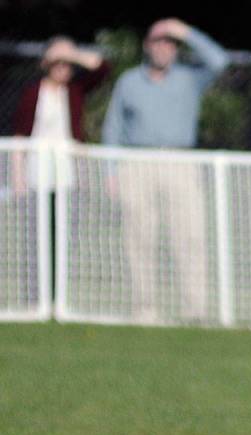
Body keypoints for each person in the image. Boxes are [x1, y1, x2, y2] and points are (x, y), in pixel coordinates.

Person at [101, 18, 229, 323]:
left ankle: (194, 311)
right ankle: (144, 311)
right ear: (147, 46)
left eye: (170, 42)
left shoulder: (189, 78)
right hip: (137, 164)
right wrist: (110, 171)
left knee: (189, 237)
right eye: (158, 41)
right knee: (139, 238)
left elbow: (220, 60)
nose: (164, 47)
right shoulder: (129, 82)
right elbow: (113, 128)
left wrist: (182, 29)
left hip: (181, 164)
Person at [11, 36, 109, 305]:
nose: (62, 68)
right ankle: (35, 297)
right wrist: (17, 174)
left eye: (67, 64)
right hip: (37, 172)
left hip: (67, 173)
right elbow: (20, 135)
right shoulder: (33, 93)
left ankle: (58, 296)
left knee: (64, 233)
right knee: (35, 236)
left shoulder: (75, 91)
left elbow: (102, 68)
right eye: (57, 62)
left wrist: (71, 53)